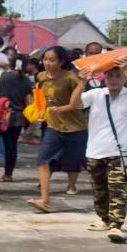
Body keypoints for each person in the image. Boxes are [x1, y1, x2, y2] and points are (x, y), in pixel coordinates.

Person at [80, 59, 127, 243]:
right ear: (105, 78)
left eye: (118, 76)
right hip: (95, 151)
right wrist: (81, 81)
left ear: (124, 78)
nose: (114, 79)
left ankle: (116, 225)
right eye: (110, 76)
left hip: (123, 153)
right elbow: (76, 103)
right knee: (99, 190)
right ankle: (105, 219)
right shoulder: (96, 94)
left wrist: (126, 70)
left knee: (118, 190)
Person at [30, 45, 87, 213]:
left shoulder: (70, 78)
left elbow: (79, 101)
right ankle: (45, 200)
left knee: (73, 161)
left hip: (75, 126)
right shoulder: (41, 76)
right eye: (45, 59)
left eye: (52, 60)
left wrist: (64, 107)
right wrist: (39, 108)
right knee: (42, 160)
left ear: (61, 62)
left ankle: (71, 185)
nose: (47, 63)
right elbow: (39, 94)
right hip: (53, 125)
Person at [0, 56, 33, 182]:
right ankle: (8, 174)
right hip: (16, 118)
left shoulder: (1, 76)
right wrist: (28, 120)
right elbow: (29, 102)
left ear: (11, 63)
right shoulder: (26, 81)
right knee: (11, 147)